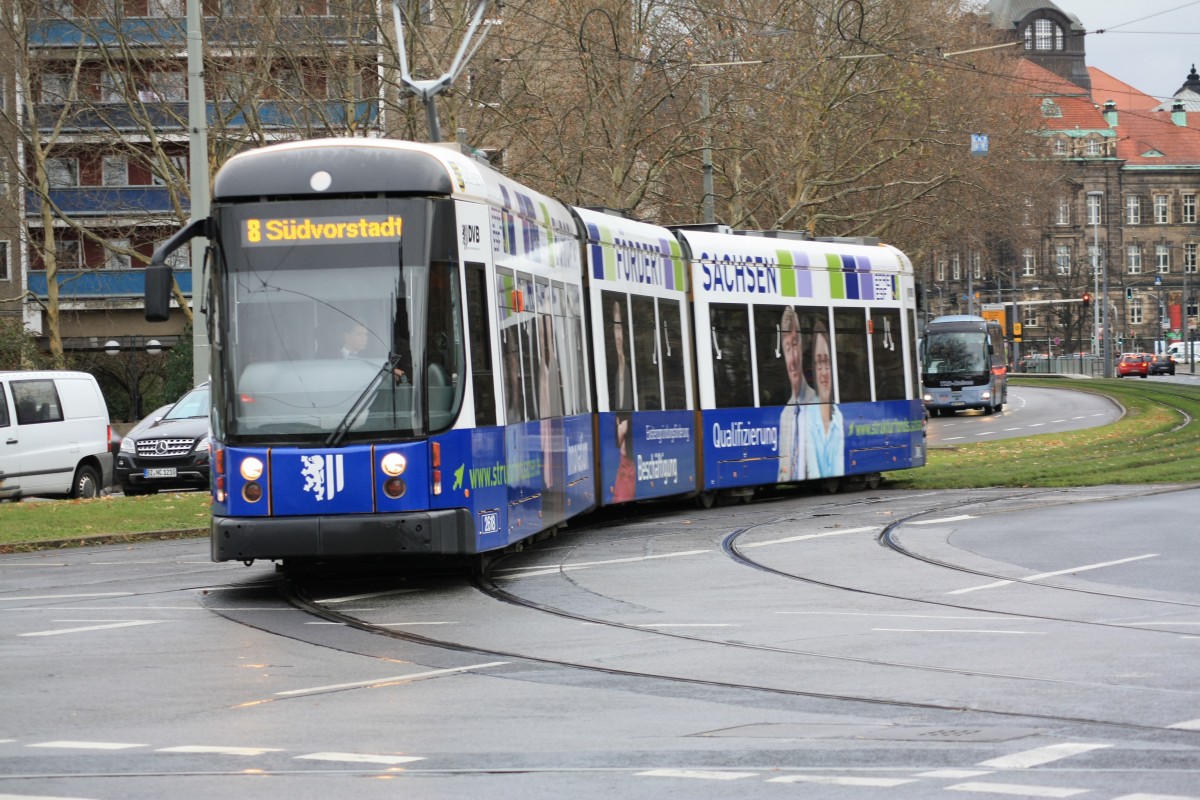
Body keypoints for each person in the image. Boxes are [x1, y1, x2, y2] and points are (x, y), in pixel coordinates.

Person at [777, 306, 816, 482]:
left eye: (794, 345)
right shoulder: (785, 414)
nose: (792, 357)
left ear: (801, 345)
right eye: (787, 348)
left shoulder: (817, 403)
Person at [805, 319, 845, 478]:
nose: (823, 372)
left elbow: (839, 469)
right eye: (818, 364)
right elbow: (813, 470)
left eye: (827, 363)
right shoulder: (808, 414)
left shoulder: (838, 415)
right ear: (813, 369)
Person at [610, 299, 636, 502]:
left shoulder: (628, 368)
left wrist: (621, 427)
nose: (617, 335)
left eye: (620, 328)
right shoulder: (614, 368)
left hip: (627, 464)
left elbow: (624, 427)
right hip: (621, 462)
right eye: (614, 328)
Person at [339, 321, 406, 383]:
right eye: (359, 334)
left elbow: (378, 370)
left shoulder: (372, 356)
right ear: (346, 336)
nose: (364, 339)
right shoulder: (332, 356)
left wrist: (390, 372)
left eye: (365, 335)